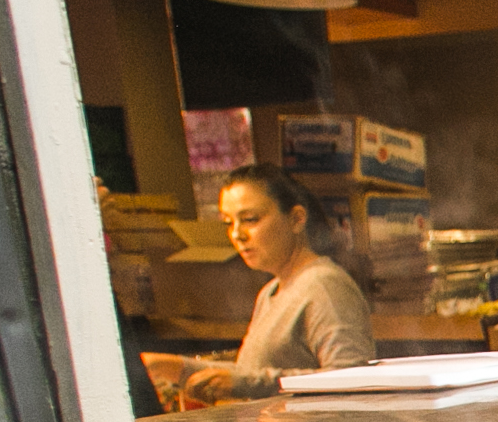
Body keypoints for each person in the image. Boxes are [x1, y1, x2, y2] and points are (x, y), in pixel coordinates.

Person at [143, 164, 373, 404]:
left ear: (296, 219)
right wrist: (179, 369)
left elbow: (350, 380)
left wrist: (245, 385)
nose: (237, 235)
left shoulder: (325, 285)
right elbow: (253, 372)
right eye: (229, 223)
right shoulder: (271, 291)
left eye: (250, 219)